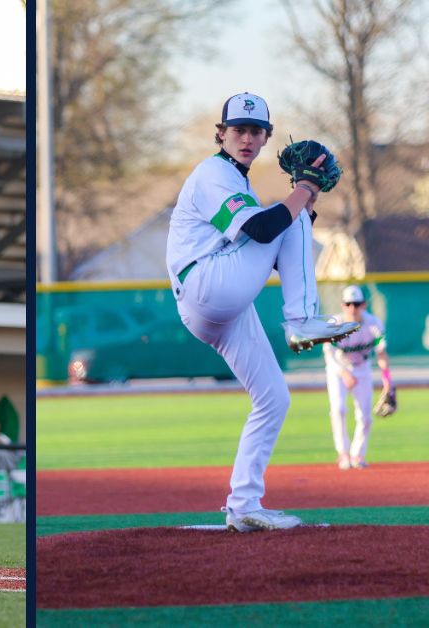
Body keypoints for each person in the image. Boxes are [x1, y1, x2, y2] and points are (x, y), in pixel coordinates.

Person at [165, 92, 360, 532]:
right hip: (206, 285)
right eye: (239, 129)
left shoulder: (240, 182)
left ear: (267, 137)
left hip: (221, 305)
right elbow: (261, 228)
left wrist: (305, 202)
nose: (247, 138)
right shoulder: (213, 173)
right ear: (221, 134)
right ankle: (301, 319)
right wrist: (305, 188)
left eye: (256, 131)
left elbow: (282, 238)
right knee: (281, 217)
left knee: (274, 397)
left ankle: (244, 504)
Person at [323, 285, 391, 470]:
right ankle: (343, 453)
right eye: (349, 304)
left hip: (362, 368)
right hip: (338, 369)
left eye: (357, 303)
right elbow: (329, 355)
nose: (353, 308)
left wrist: (387, 382)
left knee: (365, 417)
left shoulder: (373, 324)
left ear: (364, 304)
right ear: (342, 305)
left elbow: (382, 354)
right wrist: (344, 374)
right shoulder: (335, 325)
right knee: (338, 410)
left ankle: (358, 454)